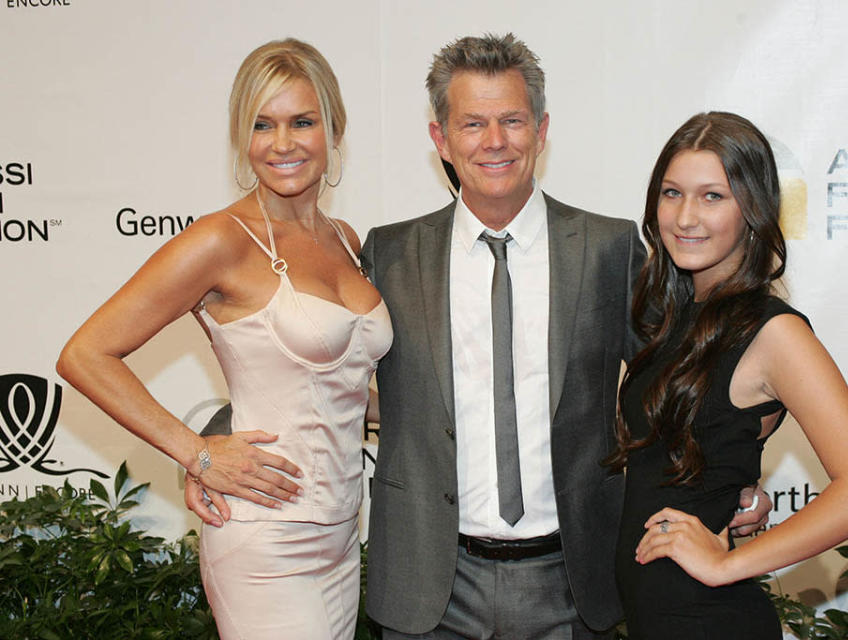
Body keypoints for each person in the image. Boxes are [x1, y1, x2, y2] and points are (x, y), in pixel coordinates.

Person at [187, 33, 772, 638]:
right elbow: (308, 367)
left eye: (512, 120)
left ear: (541, 130)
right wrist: (211, 449)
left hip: (573, 584)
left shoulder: (610, 248)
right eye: (472, 124)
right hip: (429, 587)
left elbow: (690, 380)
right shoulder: (388, 252)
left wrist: (733, 478)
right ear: (441, 138)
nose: (495, 142)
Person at [57, 38, 391, 640]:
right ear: (242, 136)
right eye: (262, 124)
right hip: (266, 542)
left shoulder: (344, 237)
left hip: (343, 536)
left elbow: (324, 384)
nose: (282, 143)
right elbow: (85, 354)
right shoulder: (220, 240)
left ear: (334, 128)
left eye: (302, 122)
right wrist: (198, 453)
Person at [610, 112, 848, 639]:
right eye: (672, 193)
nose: (686, 217)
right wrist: (736, 491)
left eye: (713, 196)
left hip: (709, 622)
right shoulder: (677, 318)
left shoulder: (775, 332)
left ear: (754, 209)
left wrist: (727, 564)